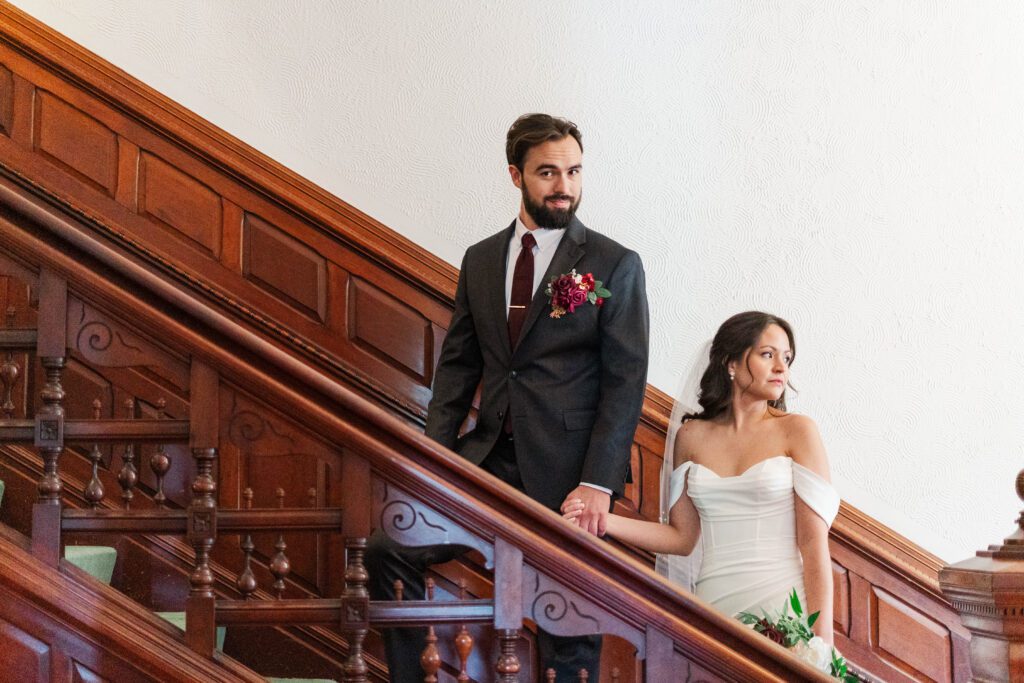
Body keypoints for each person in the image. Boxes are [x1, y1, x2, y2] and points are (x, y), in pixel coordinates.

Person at [366, 113, 650, 680]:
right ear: (515, 175)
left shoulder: (614, 263)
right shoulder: (480, 259)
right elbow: (458, 368)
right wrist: (436, 462)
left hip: (569, 477)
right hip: (488, 460)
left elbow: (626, 383)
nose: (564, 185)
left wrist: (597, 485)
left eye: (573, 171)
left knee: (569, 629)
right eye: (548, 172)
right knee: (386, 550)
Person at [562, 311, 839, 644]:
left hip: (783, 605)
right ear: (731, 364)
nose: (782, 367)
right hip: (715, 605)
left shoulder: (797, 430)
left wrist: (821, 643)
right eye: (768, 354)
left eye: (787, 357)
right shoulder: (691, 436)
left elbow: (813, 544)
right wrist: (601, 521)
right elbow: (681, 537)